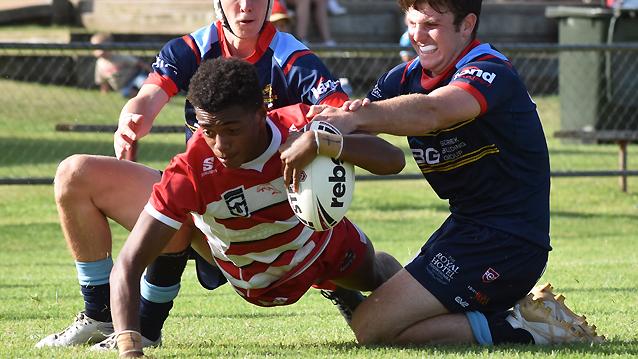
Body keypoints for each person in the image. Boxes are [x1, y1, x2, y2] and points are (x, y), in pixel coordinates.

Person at [36, 0, 351, 351]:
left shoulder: (293, 57)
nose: (245, 6)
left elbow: (340, 116)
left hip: (269, 221)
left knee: (366, 278)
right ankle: (104, 316)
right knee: (75, 174)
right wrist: (131, 120)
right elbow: (149, 97)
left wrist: (310, 133)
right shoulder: (191, 48)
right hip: (204, 210)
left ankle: (340, 284)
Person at [308, 0, 604, 346]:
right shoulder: (403, 78)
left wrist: (357, 118)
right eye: (412, 22)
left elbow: (435, 110)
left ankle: (526, 329)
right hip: (464, 231)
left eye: (431, 24)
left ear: (466, 25)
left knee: (370, 328)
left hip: (507, 242)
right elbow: (359, 131)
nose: (418, 35)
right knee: (379, 278)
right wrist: (318, 125)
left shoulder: (489, 71)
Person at [110, 57, 405, 358]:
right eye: (208, 130)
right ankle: (337, 287)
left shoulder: (302, 124)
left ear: (261, 114)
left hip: (322, 247)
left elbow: (394, 160)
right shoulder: (190, 170)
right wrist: (129, 350)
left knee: (381, 285)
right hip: (252, 277)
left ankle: (345, 286)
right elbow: (127, 265)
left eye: (232, 130)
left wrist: (321, 142)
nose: (221, 144)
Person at [90, 32, 152, 98]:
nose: (99, 51)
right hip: (123, 86)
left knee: (142, 82)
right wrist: (104, 92)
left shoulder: (119, 57)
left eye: (101, 47)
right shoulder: (100, 64)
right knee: (126, 93)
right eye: (95, 48)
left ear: (109, 46)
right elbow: (103, 80)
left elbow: (139, 63)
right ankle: (140, 95)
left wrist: (152, 72)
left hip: (134, 78)